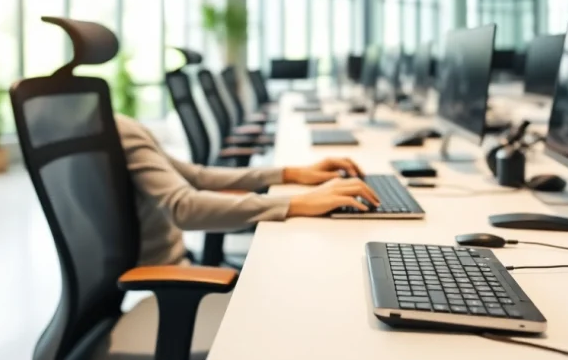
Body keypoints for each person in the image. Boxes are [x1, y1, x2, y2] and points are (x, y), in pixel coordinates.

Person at [116, 114, 380, 266]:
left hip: (169, 268)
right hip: (168, 275)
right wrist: (296, 203)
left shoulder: (112, 123)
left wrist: (292, 174)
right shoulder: (118, 127)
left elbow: (196, 176)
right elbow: (182, 207)